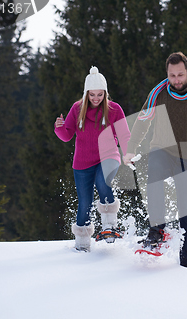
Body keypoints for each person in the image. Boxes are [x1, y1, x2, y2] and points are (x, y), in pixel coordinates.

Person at [123, 52, 187, 268]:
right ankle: (157, 232)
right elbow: (142, 122)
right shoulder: (158, 94)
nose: (176, 80)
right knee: (153, 182)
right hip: (162, 150)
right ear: (167, 75)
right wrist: (131, 148)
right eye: (172, 76)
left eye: (180, 75)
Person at [55, 66, 131, 251]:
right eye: (92, 95)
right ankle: (82, 244)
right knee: (84, 204)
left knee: (103, 181)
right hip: (82, 163)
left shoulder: (114, 109)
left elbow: (124, 135)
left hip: (108, 156)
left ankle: (109, 225)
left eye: (99, 95)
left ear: (105, 93)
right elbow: (67, 135)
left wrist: (128, 152)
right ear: (86, 93)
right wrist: (59, 127)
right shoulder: (77, 109)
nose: (96, 99)